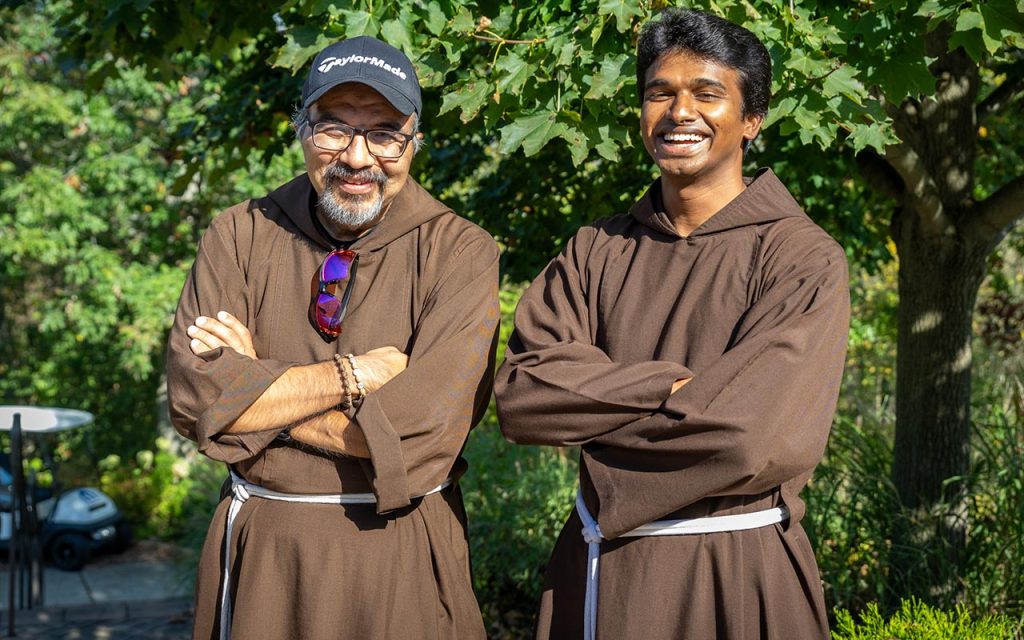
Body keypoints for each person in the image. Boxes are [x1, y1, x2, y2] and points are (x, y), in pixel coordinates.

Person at [494, 8, 850, 640]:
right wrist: (666, 387)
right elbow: (523, 396)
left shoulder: (801, 256)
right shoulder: (595, 250)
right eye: (661, 93)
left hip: (733, 575)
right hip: (597, 573)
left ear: (751, 120)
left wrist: (595, 412)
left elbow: (749, 437)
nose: (680, 112)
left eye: (707, 94)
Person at [166, 35, 497, 640]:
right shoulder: (238, 235)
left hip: (399, 559)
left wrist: (255, 384)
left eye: (384, 133)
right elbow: (194, 399)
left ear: (415, 141)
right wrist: (350, 378)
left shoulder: (460, 252)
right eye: (334, 128)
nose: (357, 156)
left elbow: (424, 437)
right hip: (267, 558)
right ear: (302, 130)